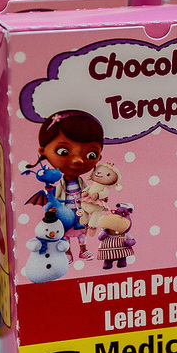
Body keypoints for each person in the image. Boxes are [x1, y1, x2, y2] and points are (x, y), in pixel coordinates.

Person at [33, 110, 105, 261]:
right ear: (43, 151)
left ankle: (83, 250)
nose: (78, 160)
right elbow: (55, 197)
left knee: (82, 233)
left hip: (81, 213)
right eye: (63, 151)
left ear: (99, 157)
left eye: (91, 154)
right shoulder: (60, 184)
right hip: (65, 214)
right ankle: (67, 252)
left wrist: (94, 198)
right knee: (64, 233)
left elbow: (87, 191)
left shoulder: (82, 183)